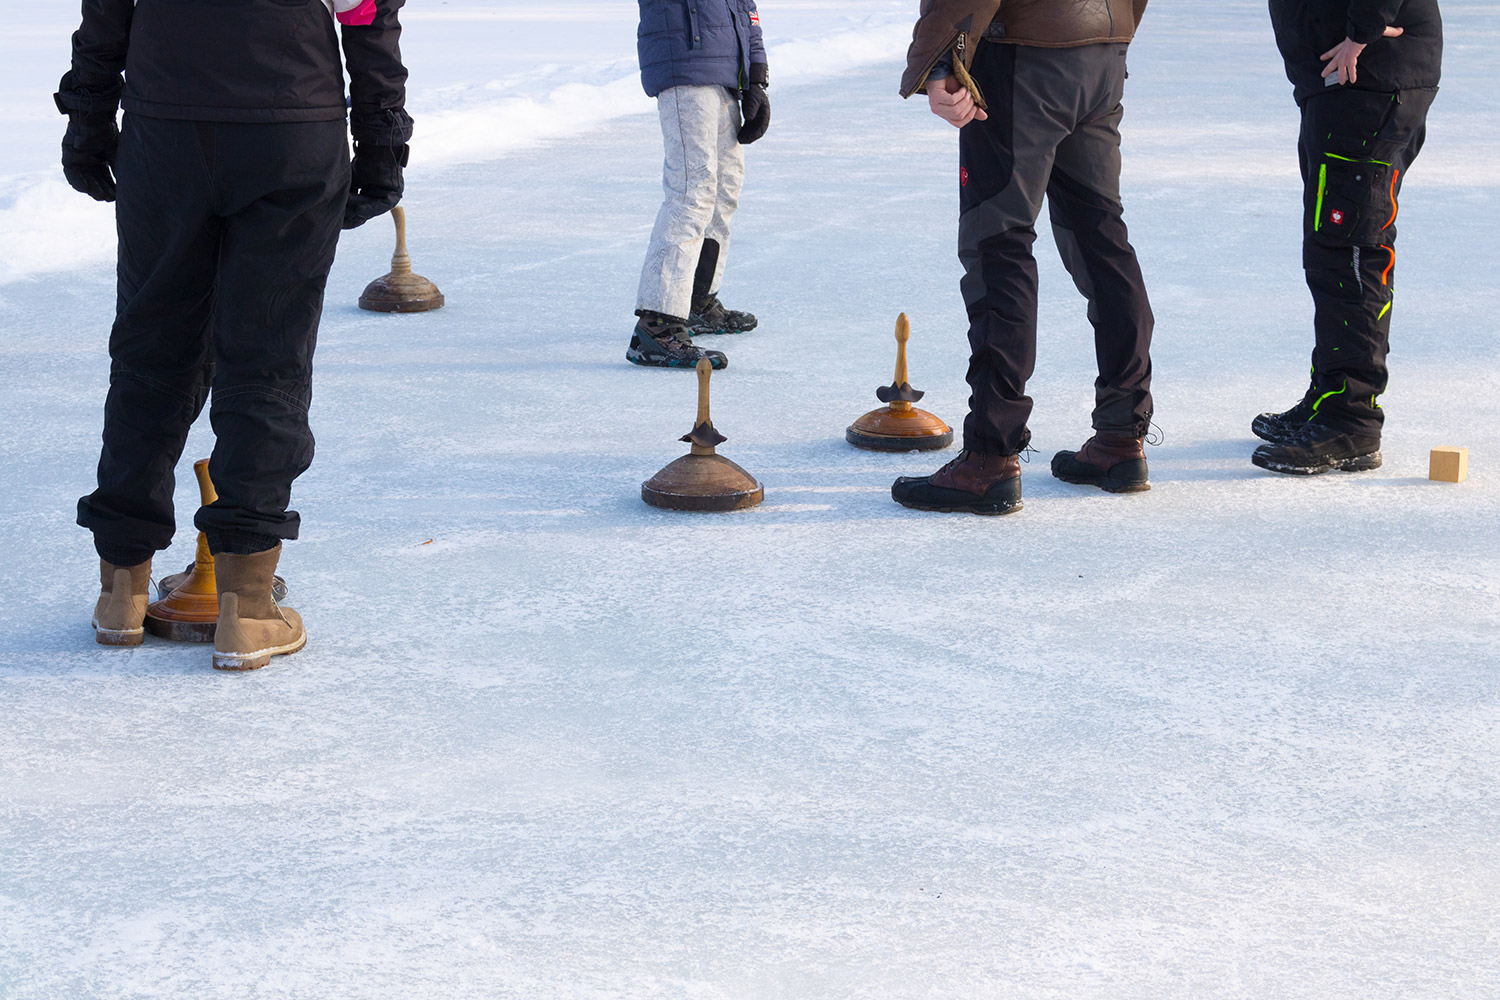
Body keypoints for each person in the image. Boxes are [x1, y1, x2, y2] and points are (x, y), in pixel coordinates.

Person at [58, 0, 413, 669]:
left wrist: (89, 119)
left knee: (151, 349)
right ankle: (246, 610)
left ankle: (120, 591)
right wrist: (381, 140)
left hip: (166, 132)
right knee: (268, 357)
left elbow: (106, 10)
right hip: (290, 133)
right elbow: (366, 15)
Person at [890, 0, 1156, 516]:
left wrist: (941, 60)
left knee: (999, 242)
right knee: (1102, 238)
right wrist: (1109, 34)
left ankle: (989, 458)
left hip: (1024, 54)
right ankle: (1121, 438)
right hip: (1102, 49)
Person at [1253, 0, 1441, 474]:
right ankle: (1330, 396)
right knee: (1329, 250)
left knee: (1351, 252)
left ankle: (1351, 420)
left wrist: (1364, 28)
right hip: (1344, 84)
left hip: (1367, 79)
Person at [628, 0, 771, 370]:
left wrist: (757, 77)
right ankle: (657, 323)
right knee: (692, 191)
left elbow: (747, 9)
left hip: (728, 73)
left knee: (724, 190)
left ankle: (695, 301)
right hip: (684, 65)